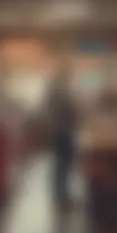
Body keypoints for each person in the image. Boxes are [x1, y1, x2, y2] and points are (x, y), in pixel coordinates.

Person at [46, 64, 77, 209]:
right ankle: (61, 196)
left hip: (61, 130)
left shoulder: (57, 89)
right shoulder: (60, 90)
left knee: (62, 163)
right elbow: (68, 108)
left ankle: (61, 194)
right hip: (63, 130)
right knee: (63, 164)